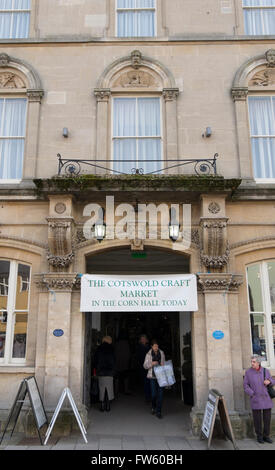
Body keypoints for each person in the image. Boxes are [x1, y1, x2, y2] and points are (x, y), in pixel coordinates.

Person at [243, 354, 275, 443]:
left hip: (266, 398)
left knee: (267, 419)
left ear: (258, 363)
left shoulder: (266, 371)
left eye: (254, 362)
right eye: (251, 361)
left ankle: (266, 436)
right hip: (255, 398)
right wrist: (252, 393)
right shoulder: (248, 372)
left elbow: (273, 381)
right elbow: (245, 385)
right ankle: (259, 436)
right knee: (257, 419)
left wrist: (269, 381)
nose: (252, 363)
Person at [143, 339, 165, 419]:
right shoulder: (148, 354)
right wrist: (151, 363)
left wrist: (163, 364)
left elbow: (164, 364)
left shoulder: (161, 353)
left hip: (160, 377)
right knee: (153, 394)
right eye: (154, 346)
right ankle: (153, 406)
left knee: (161, 394)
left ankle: (159, 411)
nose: (156, 347)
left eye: (157, 346)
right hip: (152, 376)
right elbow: (145, 366)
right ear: (151, 346)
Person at [93, 336, 115, 412]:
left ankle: (102, 406)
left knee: (102, 389)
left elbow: (95, 360)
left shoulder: (99, 348)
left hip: (101, 372)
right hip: (109, 372)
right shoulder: (112, 349)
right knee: (109, 389)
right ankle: (108, 406)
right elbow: (114, 360)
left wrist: (95, 370)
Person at [114, 330, 131, 395]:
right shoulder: (127, 343)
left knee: (117, 377)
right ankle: (126, 390)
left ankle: (116, 391)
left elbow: (115, 353)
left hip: (118, 362)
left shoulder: (117, 343)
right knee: (125, 376)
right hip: (125, 362)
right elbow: (128, 354)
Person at [136, 334, 151, 402]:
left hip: (150, 367)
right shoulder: (139, 347)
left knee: (150, 382)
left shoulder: (149, 347)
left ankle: (150, 396)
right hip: (143, 367)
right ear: (140, 340)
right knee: (146, 382)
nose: (143, 340)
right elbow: (139, 358)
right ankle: (147, 397)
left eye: (144, 338)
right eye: (142, 339)